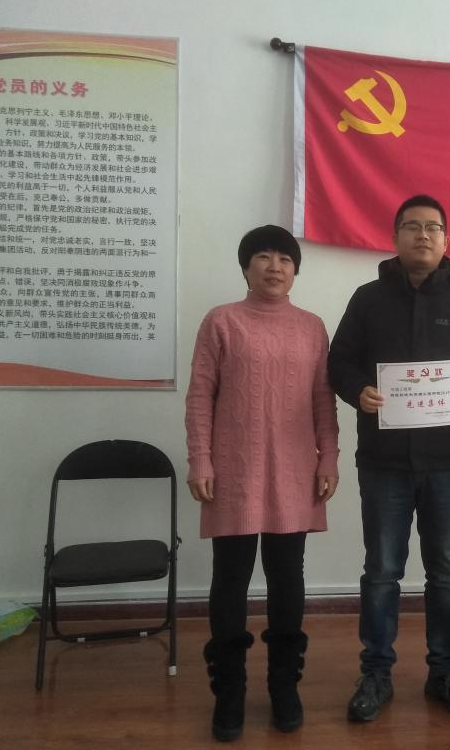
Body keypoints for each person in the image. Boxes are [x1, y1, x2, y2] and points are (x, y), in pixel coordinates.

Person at [328, 194, 450, 721]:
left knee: (446, 570)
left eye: (432, 227)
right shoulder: (367, 299)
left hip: (449, 460)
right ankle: (376, 672)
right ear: (395, 237)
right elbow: (340, 361)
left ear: (446, 240)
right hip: (383, 461)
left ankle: (446, 671)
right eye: (412, 227)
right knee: (382, 570)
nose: (422, 235)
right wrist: (358, 390)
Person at [185, 225, 340, 742]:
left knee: (287, 576)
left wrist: (328, 459)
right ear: (246, 267)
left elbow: (323, 400)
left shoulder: (312, 327)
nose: (275, 267)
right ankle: (228, 692)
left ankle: (283, 686)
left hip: (294, 469)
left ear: (296, 271)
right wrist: (200, 460)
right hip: (232, 468)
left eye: (285, 259)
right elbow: (200, 396)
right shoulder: (221, 321)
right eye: (264, 257)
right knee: (230, 578)